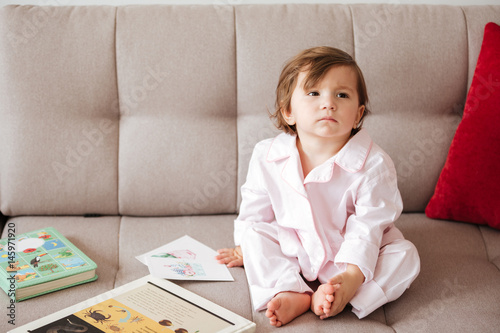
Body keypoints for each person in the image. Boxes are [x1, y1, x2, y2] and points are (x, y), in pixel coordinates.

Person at [216, 46, 420, 327]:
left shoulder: (374, 164)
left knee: (406, 256)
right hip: (296, 248)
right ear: (289, 111)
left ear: (358, 115)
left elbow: (368, 226)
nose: (329, 103)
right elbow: (255, 210)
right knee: (254, 234)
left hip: (356, 256)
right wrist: (246, 249)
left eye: (342, 95)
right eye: (314, 93)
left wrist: (351, 275)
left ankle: (342, 295)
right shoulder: (267, 155)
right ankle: (291, 291)